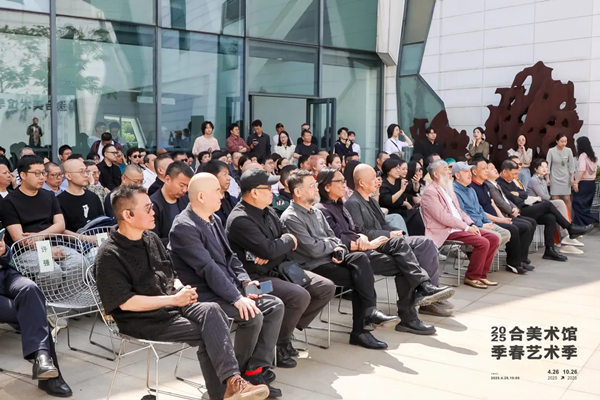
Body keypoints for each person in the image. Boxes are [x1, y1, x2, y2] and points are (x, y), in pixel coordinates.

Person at [95, 185, 270, 400]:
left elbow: (172, 274)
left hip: (173, 305)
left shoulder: (150, 238)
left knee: (213, 310)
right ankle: (230, 387)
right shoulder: (109, 254)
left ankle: (232, 385)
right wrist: (174, 299)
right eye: (148, 208)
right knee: (212, 332)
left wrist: (181, 289)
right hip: (143, 319)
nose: (153, 212)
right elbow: (126, 302)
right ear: (127, 215)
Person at [169, 174, 285, 397]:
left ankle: (253, 371)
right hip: (205, 295)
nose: (222, 195)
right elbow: (208, 268)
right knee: (252, 315)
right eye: (217, 191)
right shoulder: (184, 227)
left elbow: (230, 257)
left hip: (230, 286)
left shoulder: (214, 219)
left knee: (275, 304)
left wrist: (244, 281)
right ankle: (235, 378)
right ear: (201, 196)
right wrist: (237, 297)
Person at [226, 169, 335, 367]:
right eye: (268, 188)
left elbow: (285, 241)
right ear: (254, 192)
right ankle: (279, 344)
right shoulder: (240, 219)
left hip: (280, 269)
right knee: (298, 296)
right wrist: (277, 246)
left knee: (325, 287)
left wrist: (276, 246)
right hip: (253, 282)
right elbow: (272, 248)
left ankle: (285, 331)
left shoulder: (267, 211)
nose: (273, 192)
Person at [280, 169, 399, 350]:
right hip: (313, 266)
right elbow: (313, 249)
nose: (316, 188)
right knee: (361, 279)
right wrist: (332, 246)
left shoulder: (316, 212)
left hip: (332, 259)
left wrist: (338, 249)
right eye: (311, 185)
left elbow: (335, 239)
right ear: (297, 191)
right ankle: (362, 327)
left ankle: (367, 319)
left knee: (360, 261)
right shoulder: (291, 217)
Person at [318, 167, 454, 323]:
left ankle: (424, 294)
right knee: (407, 263)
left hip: (370, 245)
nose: (378, 180)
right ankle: (416, 306)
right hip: (360, 252)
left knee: (418, 248)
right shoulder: (343, 205)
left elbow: (360, 230)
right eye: (340, 181)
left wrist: (390, 233)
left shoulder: (344, 205)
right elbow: (342, 239)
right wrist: (375, 239)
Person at [0, 240, 73, 397]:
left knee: (30, 289)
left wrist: (3, 251)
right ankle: (49, 374)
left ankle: (43, 361)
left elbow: (7, 258)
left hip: (4, 275)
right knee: (33, 311)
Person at [420, 160, 499, 289]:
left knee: (493, 238)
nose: (449, 171)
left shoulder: (448, 188)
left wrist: (471, 223)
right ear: (436, 174)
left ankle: (482, 275)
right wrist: (466, 227)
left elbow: (460, 211)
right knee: (482, 242)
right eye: (445, 169)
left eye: (449, 168)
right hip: (445, 230)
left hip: (459, 227)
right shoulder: (430, 192)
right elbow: (443, 217)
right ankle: (472, 277)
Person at [497, 160, 591, 262]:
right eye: (513, 174)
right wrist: (519, 195)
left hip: (525, 206)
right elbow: (513, 199)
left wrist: (518, 194)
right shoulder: (500, 183)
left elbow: (524, 194)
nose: (515, 176)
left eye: (516, 174)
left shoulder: (510, 181)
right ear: (505, 171)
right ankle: (570, 228)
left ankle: (549, 250)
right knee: (547, 205)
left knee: (550, 217)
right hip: (518, 211)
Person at [470, 159, 535, 274]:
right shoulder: (473, 188)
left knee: (527, 225)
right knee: (514, 229)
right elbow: (480, 211)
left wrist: (503, 219)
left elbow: (493, 204)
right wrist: (499, 220)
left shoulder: (484, 185)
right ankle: (513, 263)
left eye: (487, 168)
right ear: (474, 172)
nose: (487, 171)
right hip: (487, 220)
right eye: (484, 169)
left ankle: (520, 259)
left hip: (496, 217)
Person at [451, 162, 519, 271]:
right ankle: (478, 265)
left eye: (469, 171)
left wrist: (487, 222)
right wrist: (481, 224)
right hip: (471, 225)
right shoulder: (454, 190)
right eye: (466, 172)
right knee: (495, 237)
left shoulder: (471, 189)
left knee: (506, 233)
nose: (469, 174)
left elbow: (480, 209)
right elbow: (463, 213)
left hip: (482, 222)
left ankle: (479, 262)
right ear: (457, 175)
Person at [0, 156, 65, 246]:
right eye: (37, 173)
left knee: (77, 255)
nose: (42, 177)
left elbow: (61, 224)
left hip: (56, 244)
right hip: (27, 250)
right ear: (23, 175)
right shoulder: (9, 202)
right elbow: (18, 238)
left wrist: (40, 235)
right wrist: (47, 251)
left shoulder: (49, 195)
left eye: (43, 173)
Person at [527, 159, 584, 253]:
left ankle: (565, 239)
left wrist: (549, 199)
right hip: (536, 206)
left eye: (546, 167)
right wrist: (551, 199)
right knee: (560, 203)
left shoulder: (543, 180)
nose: (545, 169)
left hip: (543, 204)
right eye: (542, 166)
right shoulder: (534, 180)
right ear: (536, 169)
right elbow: (543, 196)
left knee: (556, 213)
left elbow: (545, 196)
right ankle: (567, 233)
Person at [379, 158, 425, 236]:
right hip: (391, 212)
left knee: (415, 213)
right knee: (412, 216)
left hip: (402, 210)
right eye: (396, 168)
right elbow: (389, 201)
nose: (398, 171)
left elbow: (413, 191)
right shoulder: (383, 185)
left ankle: (419, 237)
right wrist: (401, 190)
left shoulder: (399, 181)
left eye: (398, 168)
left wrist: (416, 183)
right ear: (388, 170)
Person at [150, 161, 192, 245]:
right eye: (181, 185)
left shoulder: (186, 199)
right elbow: (153, 239)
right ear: (167, 179)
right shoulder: (153, 205)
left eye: (187, 186)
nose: (185, 190)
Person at [58, 159, 104, 235]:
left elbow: (102, 222)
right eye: (81, 172)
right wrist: (85, 238)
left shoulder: (93, 196)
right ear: (68, 176)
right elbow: (62, 230)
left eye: (86, 171)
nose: (86, 175)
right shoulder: (59, 201)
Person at [546, 133, 576, 215]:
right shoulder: (551, 151)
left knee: (567, 198)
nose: (564, 143)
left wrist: (572, 177)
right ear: (557, 141)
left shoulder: (568, 150)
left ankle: (569, 218)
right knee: (555, 198)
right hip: (554, 177)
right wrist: (547, 178)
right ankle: (558, 218)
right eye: (562, 141)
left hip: (565, 177)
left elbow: (572, 165)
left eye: (565, 141)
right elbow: (547, 165)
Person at [573, 136, 598, 226]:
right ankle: (587, 223)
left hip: (584, 183)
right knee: (586, 205)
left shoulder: (583, 156)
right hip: (592, 183)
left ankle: (587, 222)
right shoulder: (593, 156)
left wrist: (576, 182)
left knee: (577, 204)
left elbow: (582, 170)